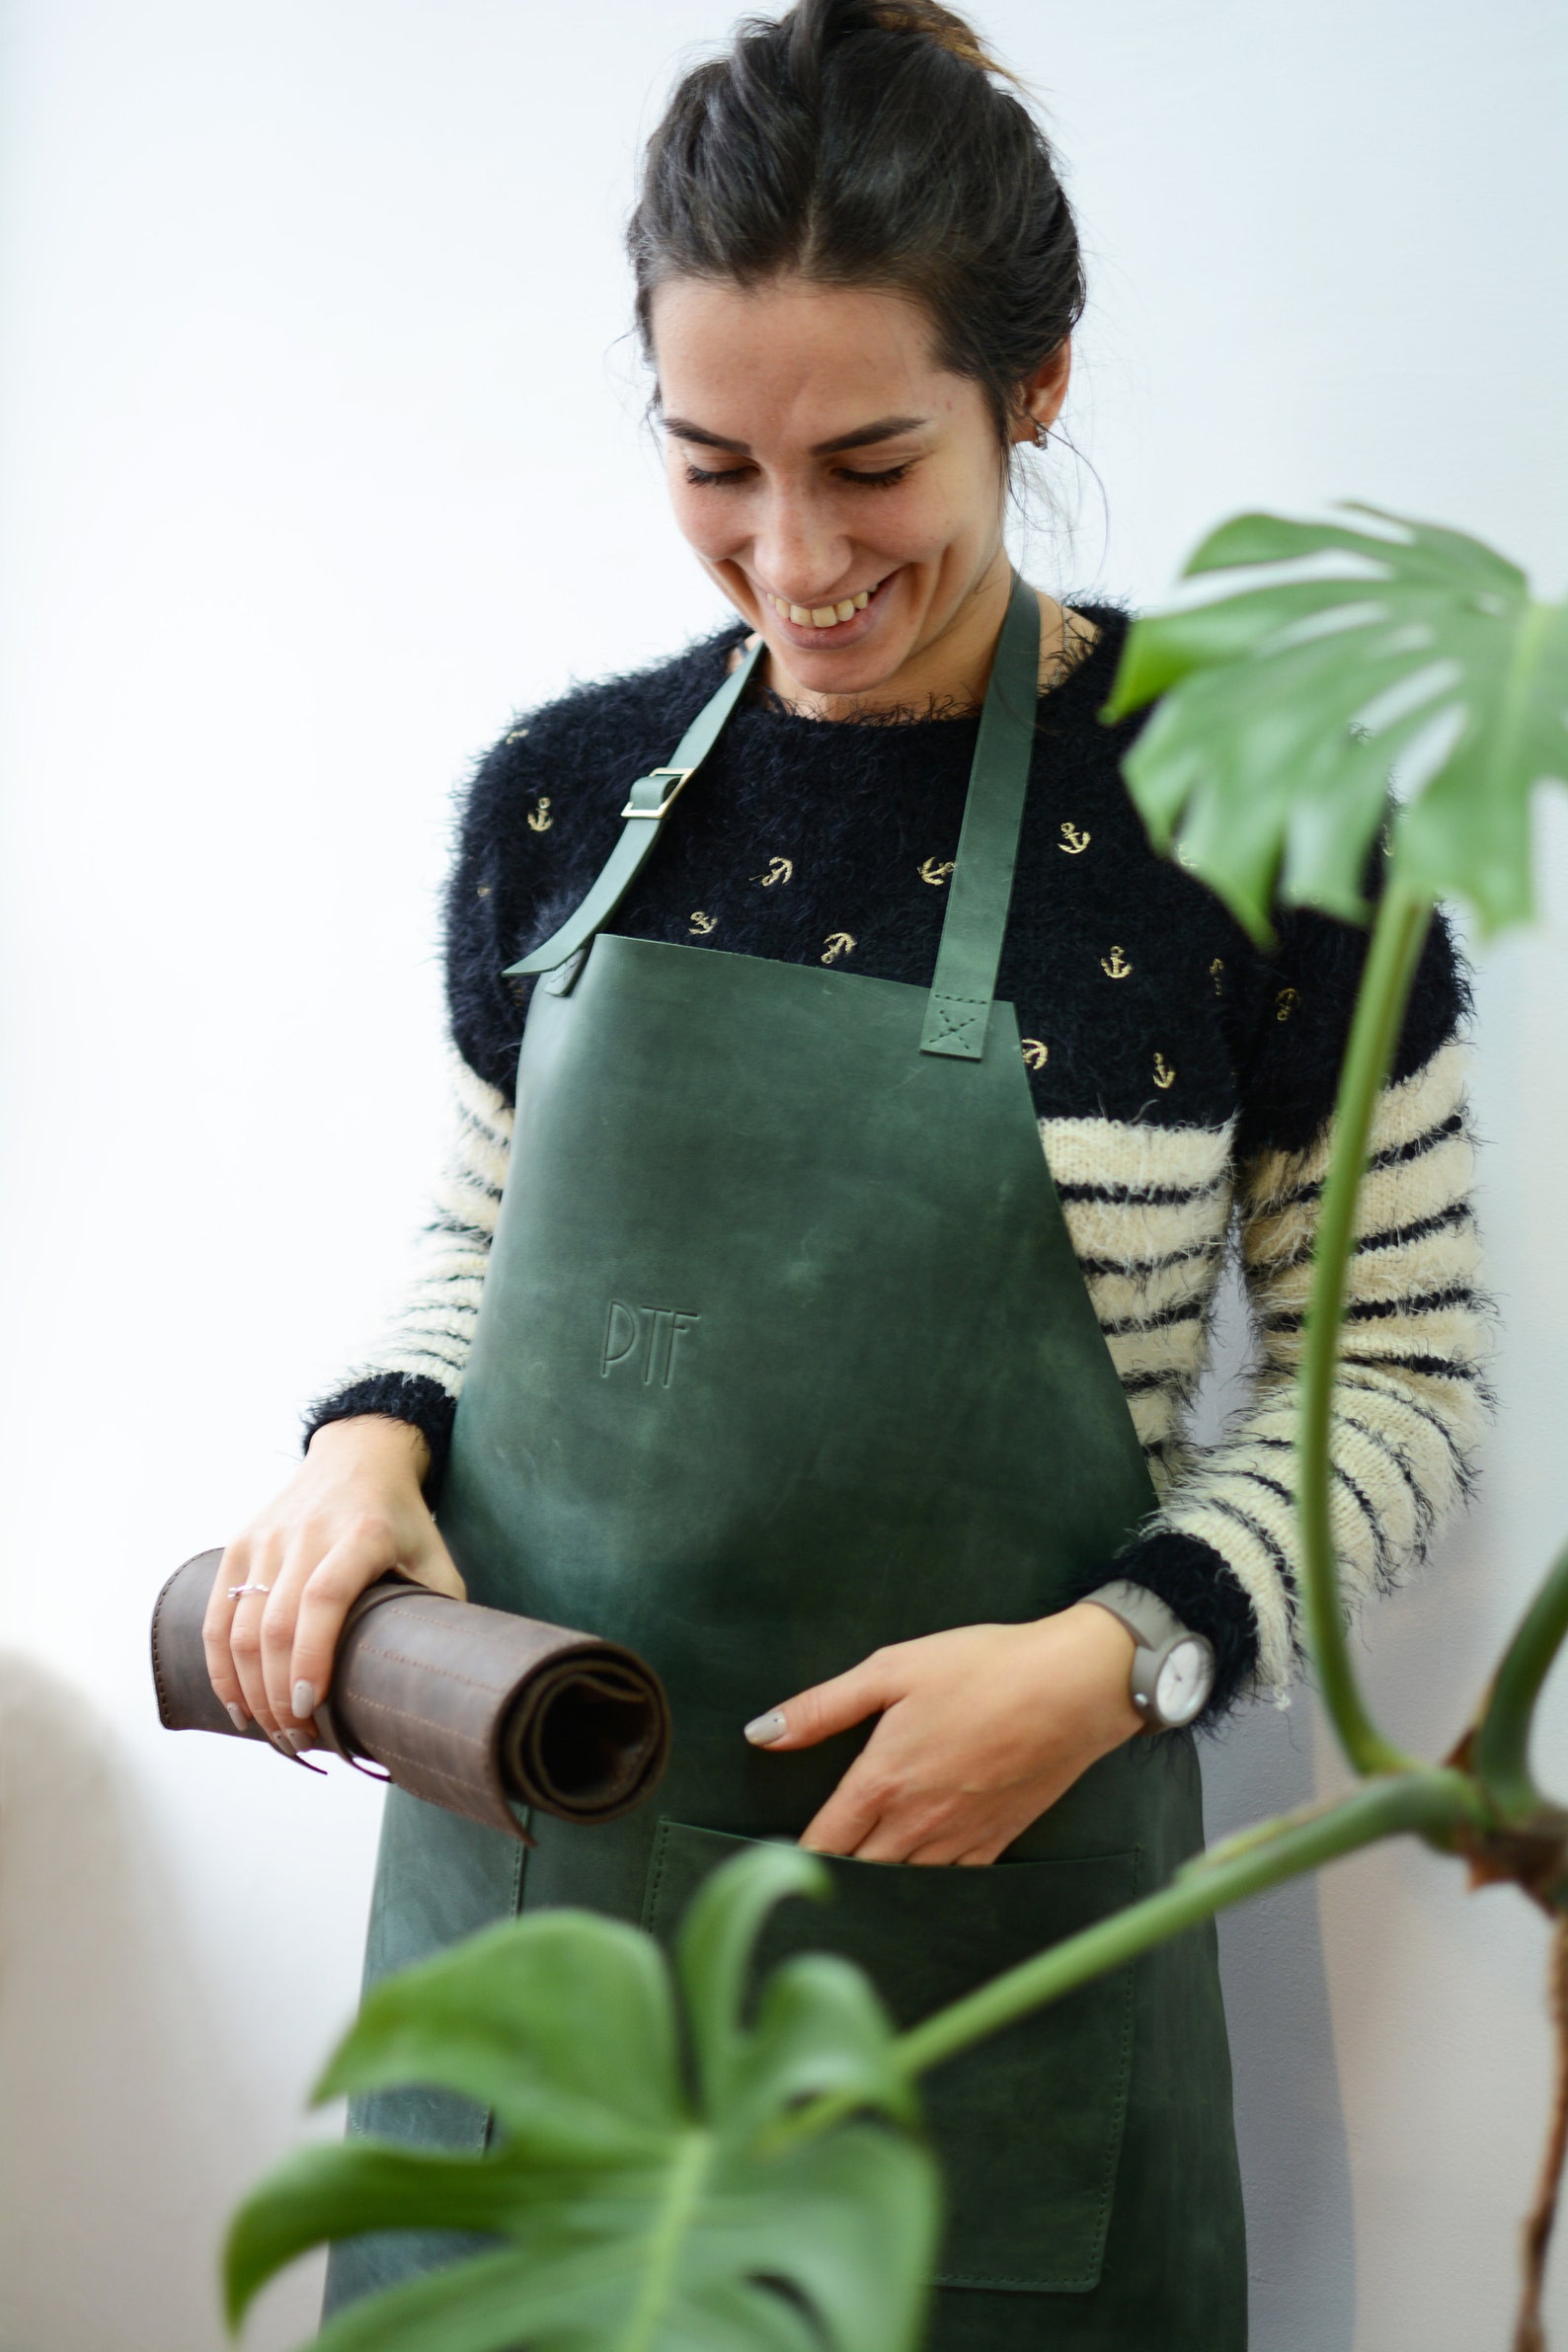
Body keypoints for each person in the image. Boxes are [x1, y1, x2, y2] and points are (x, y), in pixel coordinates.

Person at [205, 3, 1490, 2342]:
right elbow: (479, 1232)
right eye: (711, 464)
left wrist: (1115, 1665)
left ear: (1036, 385)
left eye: (869, 464)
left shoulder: (1254, 819)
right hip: (529, 1949)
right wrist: (370, 1437)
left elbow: (1393, 1382)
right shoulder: (562, 799)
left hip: (980, 1959)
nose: (788, 562)